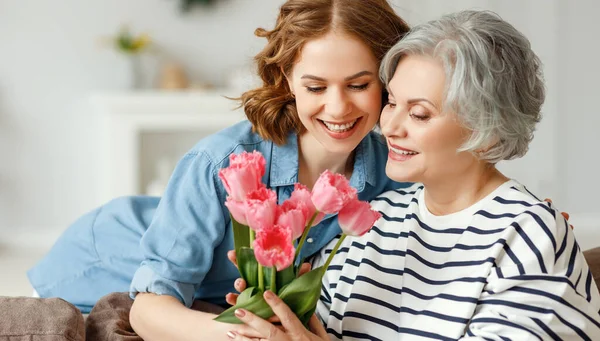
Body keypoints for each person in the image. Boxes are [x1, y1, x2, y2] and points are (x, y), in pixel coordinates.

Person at [26, 0, 411, 338]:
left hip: (208, 299)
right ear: (288, 79)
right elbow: (148, 308)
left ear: (386, 81)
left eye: (359, 85)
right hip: (101, 266)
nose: (338, 107)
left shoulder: (390, 170)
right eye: (315, 87)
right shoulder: (224, 161)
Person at [227, 10, 600, 340]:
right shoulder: (375, 217)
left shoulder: (529, 235)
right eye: (391, 102)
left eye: (419, 114)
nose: (389, 126)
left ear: (489, 130)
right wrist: (273, 306)